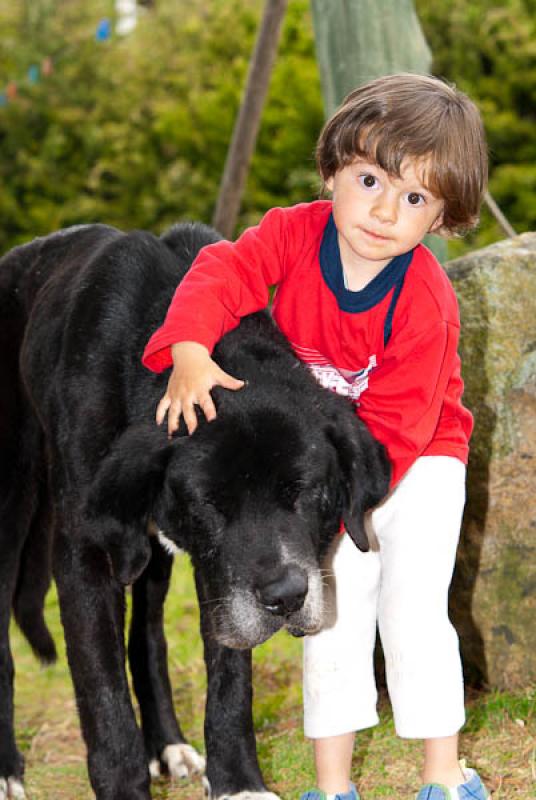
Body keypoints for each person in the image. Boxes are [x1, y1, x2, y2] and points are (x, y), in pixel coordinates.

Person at [142, 73, 490, 800]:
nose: (386, 209)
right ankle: (332, 786)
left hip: (416, 460)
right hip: (325, 467)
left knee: (412, 610)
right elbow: (222, 272)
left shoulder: (427, 301)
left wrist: (334, 501)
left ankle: (442, 774)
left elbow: (392, 427)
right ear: (333, 169)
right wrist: (189, 347)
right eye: (370, 179)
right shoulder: (293, 233)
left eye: (416, 198)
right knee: (328, 609)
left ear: (445, 218)